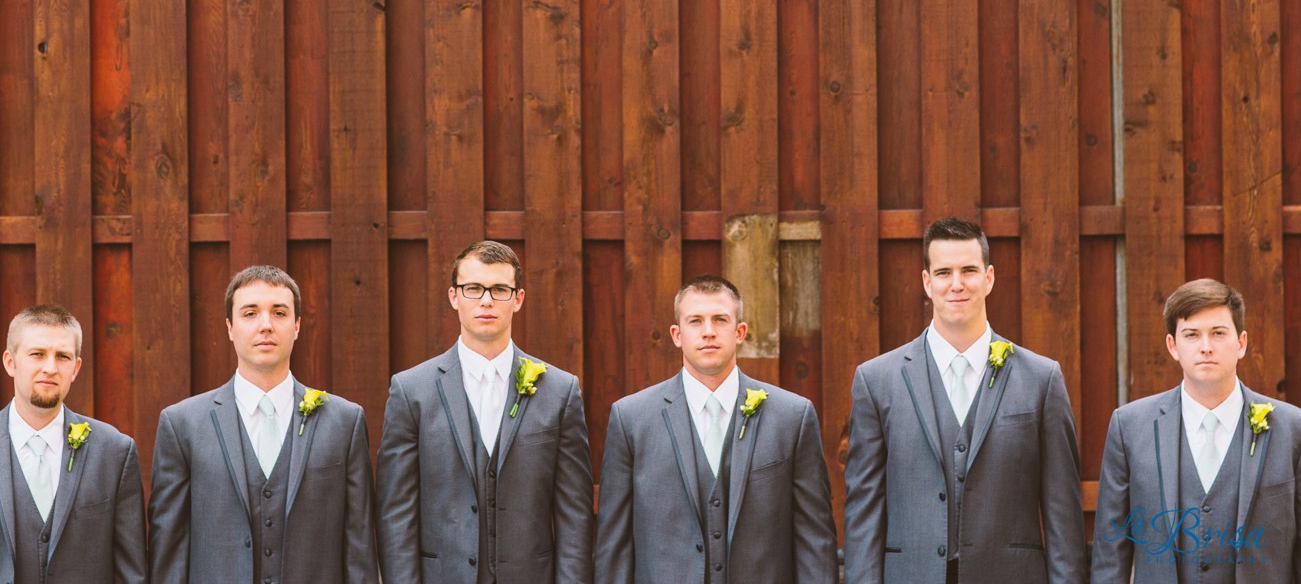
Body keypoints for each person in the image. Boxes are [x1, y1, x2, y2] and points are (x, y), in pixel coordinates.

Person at [843, 217, 1085, 583]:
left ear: (989, 278)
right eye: (943, 272)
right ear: (927, 282)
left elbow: (1062, 511)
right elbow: (864, 510)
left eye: (968, 270)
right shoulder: (877, 380)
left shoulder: (1041, 379)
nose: (957, 284)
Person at [594, 274, 838, 583]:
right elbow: (614, 546)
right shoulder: (631, 419)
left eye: (720, 320)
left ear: (740, 332)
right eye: (695, 321)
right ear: (677, 334)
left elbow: (815, 541)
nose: (708, 332)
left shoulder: (792, 416)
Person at [377, 240, 593, 583]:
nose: (487, 300)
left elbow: (575, 514)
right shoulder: (410, 391)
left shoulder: (560, 391)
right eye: (474, 288)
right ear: (454, 296)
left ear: (518, 299)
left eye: (500, 289)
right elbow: (396, 513)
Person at [149, 265, 377, 582]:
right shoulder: (182, 424)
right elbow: (169, 552)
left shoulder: (344, 421)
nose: (266, 325)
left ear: (297, 325)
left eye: (279, 313)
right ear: (230, 327)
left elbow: (360, 544)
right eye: (250, 313)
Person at [1091, 278, 1301, 581]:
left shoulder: (1292, 429)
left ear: (1241, 343)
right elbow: (1111, 552)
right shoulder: (1130, 427)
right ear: (1173, 346)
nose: (1205, 347)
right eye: (1191, 335)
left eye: (1218, 333)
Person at [0, 304, 146, 582]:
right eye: (37, 354)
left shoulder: (115, 452)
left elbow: (131, 573)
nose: (50, 368)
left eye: (62, 356)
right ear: (10, 362)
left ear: (76, 367)